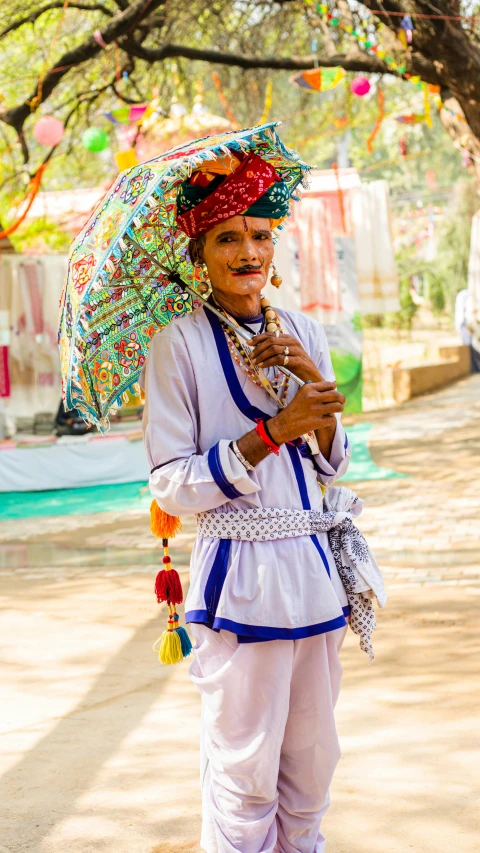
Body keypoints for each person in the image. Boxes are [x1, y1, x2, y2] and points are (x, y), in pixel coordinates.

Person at [142, 150, 381, 853]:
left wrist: (316, 393)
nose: (248, 250)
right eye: (227, 237)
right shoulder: (178, 344)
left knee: (311, 768)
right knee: (245, 775)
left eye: (259, 234)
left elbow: (333, 461)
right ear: (200, 253)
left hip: (313, 571)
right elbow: (171, 485)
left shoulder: (304, 331)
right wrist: (272, 432)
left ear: (274, 247)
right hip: (239, 579)